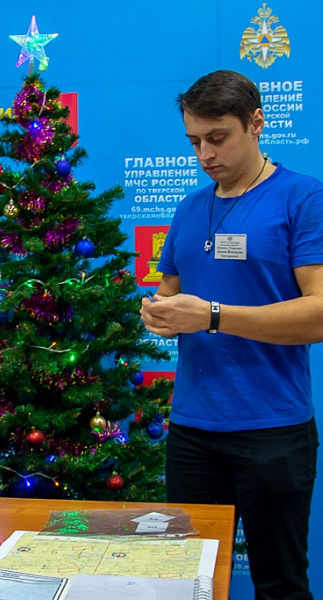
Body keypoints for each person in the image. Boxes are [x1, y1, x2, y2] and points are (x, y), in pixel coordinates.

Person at [140, 70, 323, 600]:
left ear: (256, 123)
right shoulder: (190, 208)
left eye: (217, 138)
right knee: (187, 580)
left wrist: (214, 315)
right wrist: (158, 311)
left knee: (280, 584)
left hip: (273, 428)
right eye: (195, 141)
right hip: (194, 429)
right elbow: (169, 290)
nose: (205, 154)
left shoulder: (303, 199)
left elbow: (318, 314)